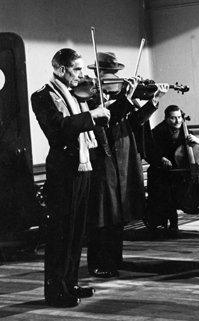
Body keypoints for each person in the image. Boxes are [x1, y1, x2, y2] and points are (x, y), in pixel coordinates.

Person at [31, 48, 110, 307]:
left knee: (77, 232)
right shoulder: (42, 96)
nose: (82, 75)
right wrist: (89, 116)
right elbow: (57, 131)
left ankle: (70, 283)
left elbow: (97, 122)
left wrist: (118, 104)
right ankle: (55, 291)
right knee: (60, 235)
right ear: (61, 69)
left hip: (83, 168)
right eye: (77, 69)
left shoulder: (79, 95)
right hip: (63, 172)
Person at [85, 52, 169, 278]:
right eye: (107, 74)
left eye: (115, 74)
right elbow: (107, 120)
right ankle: (98, 262)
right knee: (104, 213)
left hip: (124, 156)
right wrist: (126, 98)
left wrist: (153, 101)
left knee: (118, 211)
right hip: (104, 159)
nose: (113, 78)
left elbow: (134, 121)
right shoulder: (90, 97)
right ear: (98, 73)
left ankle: (114, 258)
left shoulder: (120, 94)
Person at [144, 105, 199, 235]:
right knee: (166, 189)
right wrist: (161, 158)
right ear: (166, 119)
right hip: (167, 172)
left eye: (179, 117)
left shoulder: (186, 131)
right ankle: (172, 224)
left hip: (187, 173)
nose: (177, 121)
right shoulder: (157, 132)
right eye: (173, 118)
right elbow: (148, 152)